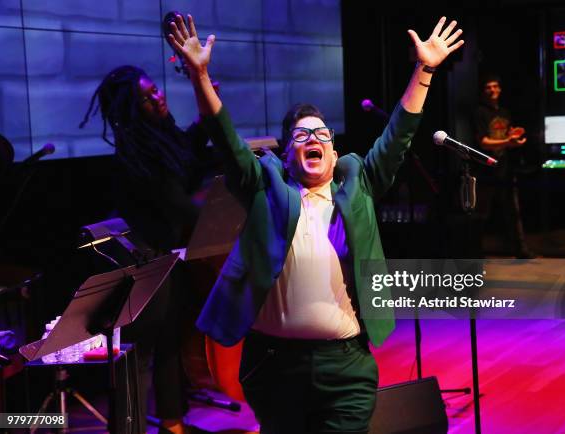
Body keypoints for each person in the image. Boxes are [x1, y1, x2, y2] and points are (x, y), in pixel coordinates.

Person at [169, 13, 463, 434]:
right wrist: (198, 75)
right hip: (273, 366)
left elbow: (397, 137)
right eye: (302, 135)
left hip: (346, 366)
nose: (314, 140)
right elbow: (226, 138)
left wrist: (425, 69)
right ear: (285, 152)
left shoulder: (358, 182)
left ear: (334, 149)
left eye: (323, 134)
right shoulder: (264, 186)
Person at [80, 65, 217, 434]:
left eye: (155, 90)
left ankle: (173, 424)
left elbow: (187, 152)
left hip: (165, 258)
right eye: (146, 97)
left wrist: (207, 111)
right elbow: (179, 204)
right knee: (138, 357)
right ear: (130, 109)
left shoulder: (159, 138)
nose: (157, 97)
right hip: (141, 264)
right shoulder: (136, 153)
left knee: (169, 343)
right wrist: (221, 214)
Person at [473, 75, 534, 259]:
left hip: (505, 169)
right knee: (481, 215)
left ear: (500, 89)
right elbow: (483, 142)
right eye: (488, 87)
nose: (492, 90)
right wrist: (508, 141)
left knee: (513, 212)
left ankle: (521, 250)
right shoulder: (479, 113)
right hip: (485, 170)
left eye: (495, 86)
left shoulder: (505, 112)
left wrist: (515, 138)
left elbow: (507, 137)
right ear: (484, 91)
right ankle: (475, 252)